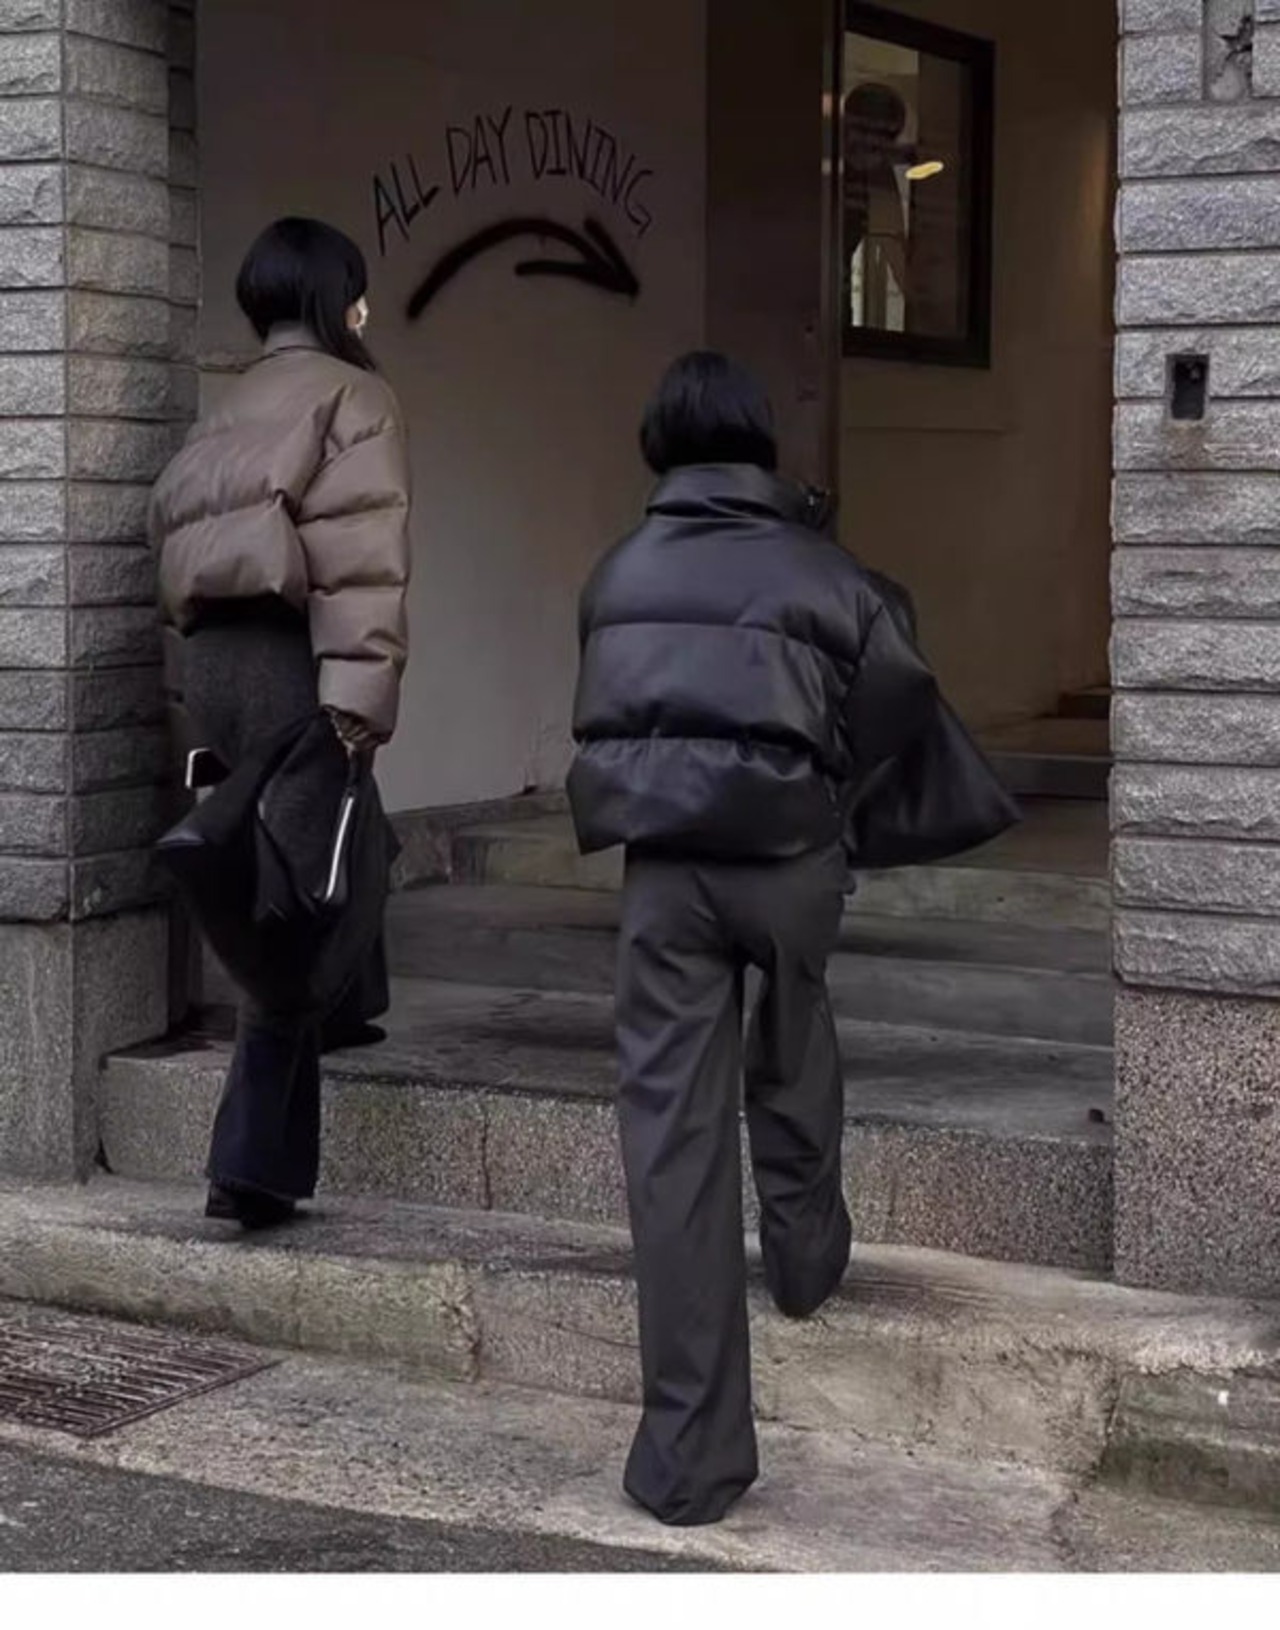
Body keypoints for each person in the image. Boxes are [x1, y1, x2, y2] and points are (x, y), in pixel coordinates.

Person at [567, 352, 939, 1526]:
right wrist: (829, 787)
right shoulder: (825, 572)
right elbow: (899, 694)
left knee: (671, 1143)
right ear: (758, 440)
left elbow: (607, 707)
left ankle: (688, 1456)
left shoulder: (614, 571)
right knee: (791, 1035)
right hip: (787, 860)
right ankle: (805, 1250)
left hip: (663, 875)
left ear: (658, 443)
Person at [150, 217, 412, 1230]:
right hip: (288, 659)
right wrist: (358, 706)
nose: (364, 310)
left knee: (349, 834)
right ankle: (247, 1171)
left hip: (213, 663)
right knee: (294, 907)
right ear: (335, 299)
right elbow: (361, 565)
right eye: (357, 293)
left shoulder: (225, 408)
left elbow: (171, 548)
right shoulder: (355, 396)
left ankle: (350, 1004)